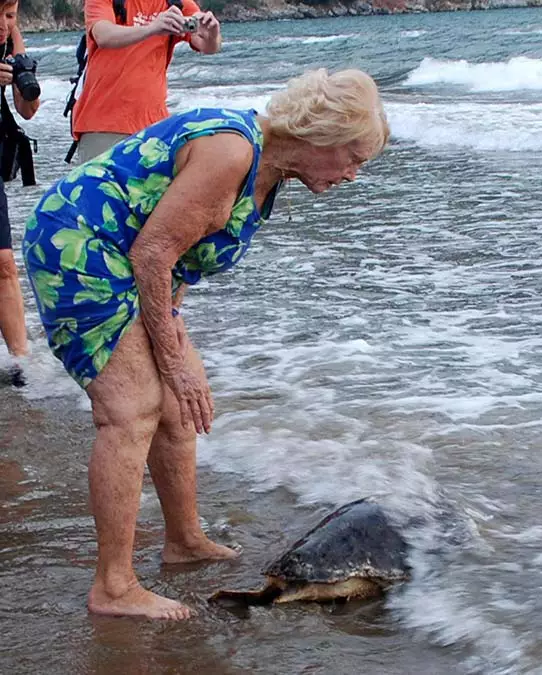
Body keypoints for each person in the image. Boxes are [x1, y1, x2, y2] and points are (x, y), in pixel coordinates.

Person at [23, 68, 389, 620]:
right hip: (80, 245)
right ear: (322, 135)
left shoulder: (267, 174)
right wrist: (173, 360)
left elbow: (180, 259)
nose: (355, 175)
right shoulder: (232, 152)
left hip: (130, 259)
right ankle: (114, 587)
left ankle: (184, 541)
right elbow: (153, 254)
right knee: (131, 409)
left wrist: (176, 343)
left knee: (177, 406)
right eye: (354, 158)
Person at [72, 0, 221, 163]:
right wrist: (152, 28)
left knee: (152, 188)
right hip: (103, 125)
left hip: (155, 127)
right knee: (100, 188)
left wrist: (211, 35)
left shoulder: (175, 2)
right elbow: (103, 35)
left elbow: (207, 45)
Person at [0, 0, 39, 386]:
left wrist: (24, 80)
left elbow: (27, 111)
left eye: (10, 15)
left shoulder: (10, 38)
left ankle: (21, 363)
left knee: (4, 263)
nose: (3, 24)